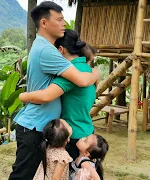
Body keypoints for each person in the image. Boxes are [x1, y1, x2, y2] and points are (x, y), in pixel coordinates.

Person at [9, 1, 99, 179]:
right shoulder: (47, 51)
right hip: (34, 126)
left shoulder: (42, 46)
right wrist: (95, 73)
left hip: (39, 125)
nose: (64, 23)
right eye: (59, 19)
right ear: (44, 23)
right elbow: (80, 80)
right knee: (23, 175)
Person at [19, 29, 96, 161]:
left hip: (72, 135)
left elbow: (46, 96)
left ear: (60, 50)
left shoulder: (71, 73)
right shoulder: (87, 69)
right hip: (86, 130)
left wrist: (22, 96)